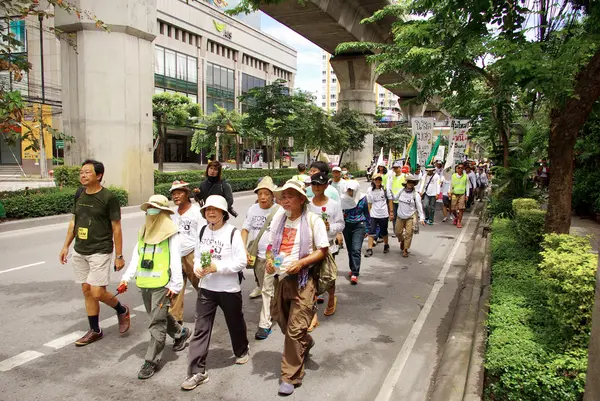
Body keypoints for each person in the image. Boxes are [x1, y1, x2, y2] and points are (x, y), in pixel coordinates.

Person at [266, 179, 329, 396]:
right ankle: (306, 342)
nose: (285, 200)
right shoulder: (278, 218)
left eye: (290, 196)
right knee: (284, 323)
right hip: (281, 278)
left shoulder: (314, 220)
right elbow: (271, 244)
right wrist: (268, 260)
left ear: (302, 199)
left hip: (303, 281)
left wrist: (301, 263)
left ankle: (290, 376)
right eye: (283, 196)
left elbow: (322, 250)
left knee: (294, 331)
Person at [59, 159, 130, 346]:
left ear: (99, 176)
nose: (83, 175)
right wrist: (66, 245)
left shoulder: (109, 198)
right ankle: (95, 330)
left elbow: (117, 228)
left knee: (97, 292)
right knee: (86, 290)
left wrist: (119, 256)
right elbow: (74, 221)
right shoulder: (79, 193)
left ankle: (121, 309)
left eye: (87, 172)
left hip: (100, 249)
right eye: (81, 172)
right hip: (80, 249)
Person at [119, 194, 190, 379]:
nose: (150, 212)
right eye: (149, 208)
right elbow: (137, 256)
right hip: (145, 284)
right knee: (160, 315)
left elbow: (175, 260)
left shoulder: (171, 234)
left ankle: (151, 361)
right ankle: (181, 333)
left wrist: (175, 284)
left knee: (156, 323)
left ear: (163, 212)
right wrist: (126, 277)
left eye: (154, 209)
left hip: (163, 285)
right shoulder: (144, 230)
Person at [182, 195, 249, 391]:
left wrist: (216, 267)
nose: (210, 213)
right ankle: (197, 372)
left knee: (235, 323)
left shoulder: (232, 233)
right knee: (201, 328)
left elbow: (241, 262)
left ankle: (242, 349)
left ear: (223, 213)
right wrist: (197, 269)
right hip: (206, 289)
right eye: (207, 210)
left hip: (228, 289)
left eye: (215, 210)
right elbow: (196, 257)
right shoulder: (202, 231)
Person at [241, 177, 280, 340]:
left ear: (273, 195)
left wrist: (277, 260)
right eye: (260, 193)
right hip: (258, 256)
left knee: (269, 289)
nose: (263, 197)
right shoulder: (253, 209)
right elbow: (245, 229)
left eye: (266, 193)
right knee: (266, 288)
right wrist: (244, 249)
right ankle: (273, 313)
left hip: (276, 257)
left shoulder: (279, 210)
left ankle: (265, 323)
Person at [307, 171, 344, 331]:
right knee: (311, 279)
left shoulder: (334, 205)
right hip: (311, 247)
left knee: (328, 276)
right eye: (314, 184)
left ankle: (331, 299)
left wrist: (331, 227)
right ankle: (313, 313)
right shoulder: (307, 204)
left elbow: (340, 224)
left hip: (329, 246)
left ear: (325, 186)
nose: (316, 187)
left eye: (319, 184)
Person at [169, 180, 206, 324]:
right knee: (175, 288)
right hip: (176, 256)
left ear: (187, 194)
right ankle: (176, 321)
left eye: (179, 193)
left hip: (192, 254)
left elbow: (203, 235)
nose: (176, 196)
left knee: (202, 286)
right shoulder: (172, 214)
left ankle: (205, 311)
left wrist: (199, 258)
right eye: (174, 194)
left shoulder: (197, 211)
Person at [341, 179, 369, 284]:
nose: (350, 192)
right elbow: (339, 212)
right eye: (349, 190)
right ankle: (353, 268)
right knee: (350, 249)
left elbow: (367, 213)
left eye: (352, 190)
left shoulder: (363, 199)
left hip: (359, 225)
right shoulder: (343, 199)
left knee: (356, 249)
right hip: (347, 225)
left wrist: (367, 228)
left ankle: (355, 273)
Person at [390, 174, 425, 258]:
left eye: (412, 182)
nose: (410, 184)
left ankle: (405, 249)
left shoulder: (415, 194)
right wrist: (390, 192)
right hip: (400, 216)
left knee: (409, 234)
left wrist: (422, 218)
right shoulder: (401, 191)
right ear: (406, 183)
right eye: (409, 182)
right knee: (398, 232)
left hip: (410, 216)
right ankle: (402, 240)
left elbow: (419, 206)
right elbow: (395, 199)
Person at [366, 173, 391, 256]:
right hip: (374, 214)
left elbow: (390, 200)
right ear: (373, 180)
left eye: (379, 179)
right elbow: (369, 203)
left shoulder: (384, 189)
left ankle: (386, 245)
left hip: (383, 214)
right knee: (371, 232)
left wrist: (391, 212)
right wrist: (370, 213)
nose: (378, 181)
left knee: (384, 232)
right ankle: (369, 248)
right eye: (376, 179)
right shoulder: (370, 190)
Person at [387, 162, 408, 237]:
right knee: (394, 216)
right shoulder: (392, 177)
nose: (395, 169)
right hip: (393, 200)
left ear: (400, 168)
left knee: (402, 216)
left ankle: (403, 230)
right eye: (394, 168)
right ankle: (396, 231)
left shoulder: (404, 176)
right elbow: (389, 187)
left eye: (396, 168)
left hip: (402, 200)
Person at [449, 163, 469, 229]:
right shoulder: (453, 176)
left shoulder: (465, 176)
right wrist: (449, 192)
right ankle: (457, 217)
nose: (460, 169)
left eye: (461, 168)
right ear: (456, 169)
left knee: (461, 208)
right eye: (459, 168)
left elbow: (467, 186)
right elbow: (451, 184)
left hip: (462, 194)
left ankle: (459, 222)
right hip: (454, 194)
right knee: (453, 209)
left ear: (463, 169)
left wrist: (467, 195)